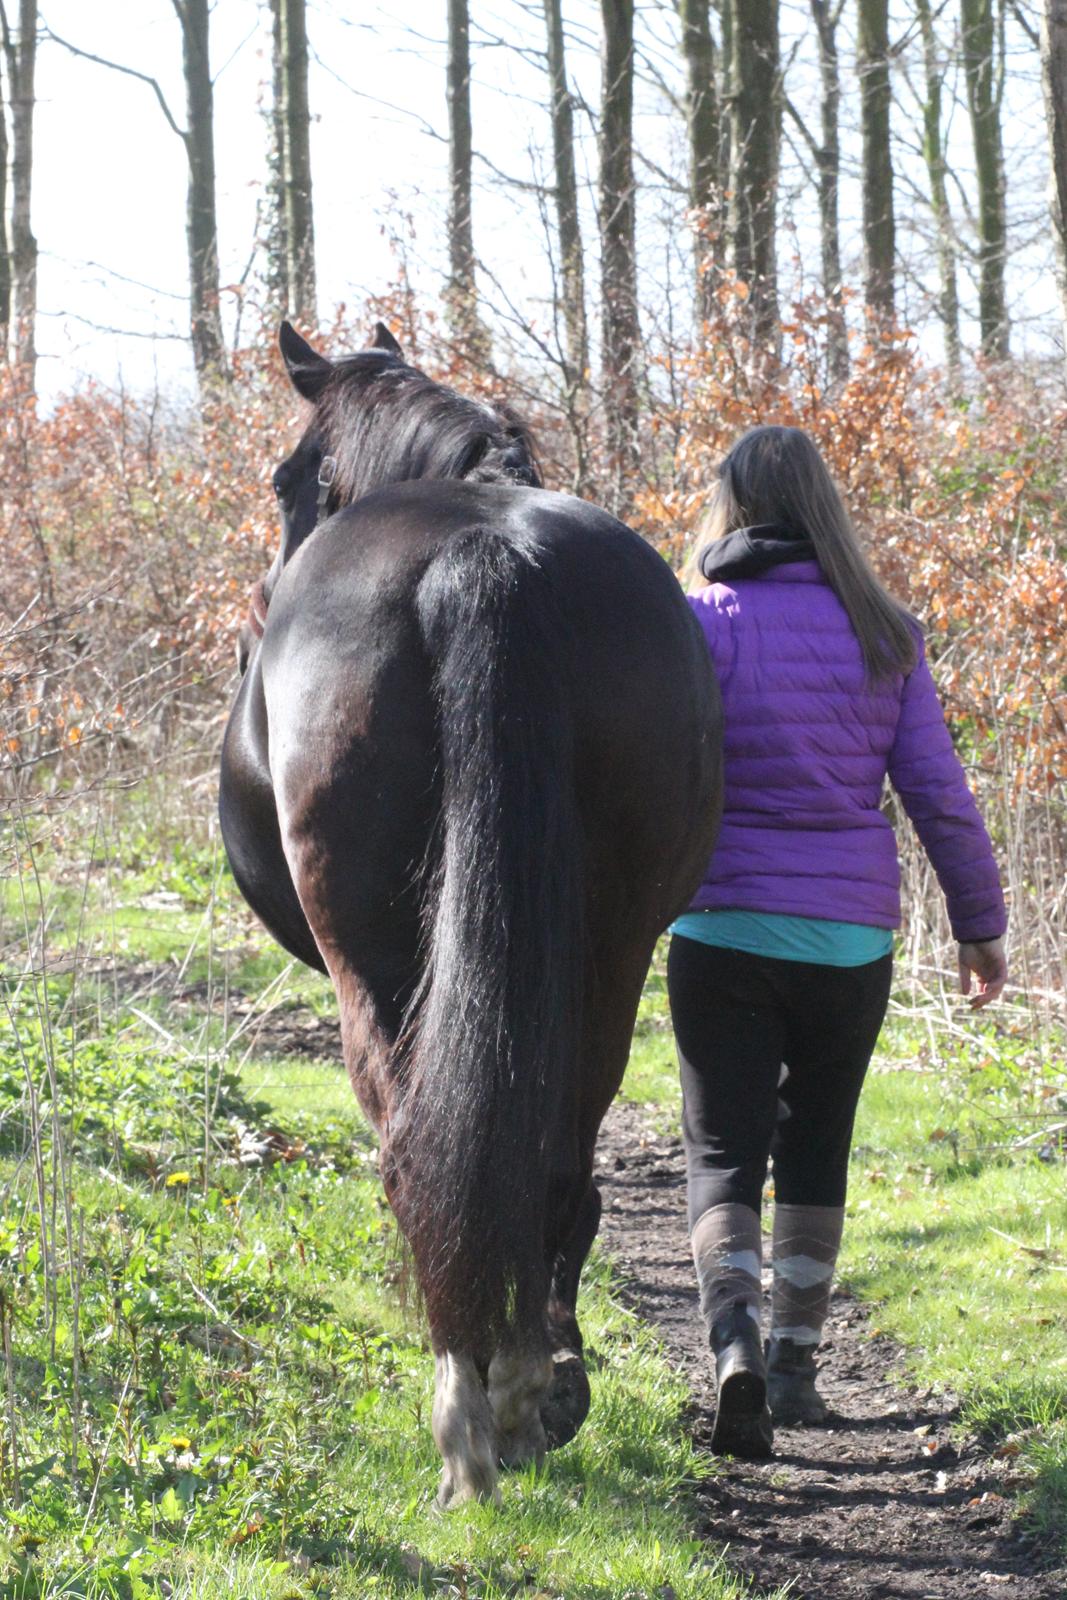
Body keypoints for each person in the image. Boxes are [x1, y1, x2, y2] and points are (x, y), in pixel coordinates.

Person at [669, 425, 1008, 1459]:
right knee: (813, 1144)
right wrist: (978, 922)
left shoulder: (693, 624)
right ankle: (792, 1369)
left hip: (719, 925)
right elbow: (936, 794)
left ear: (728, 504)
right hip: (847, 941)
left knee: (721, 1150)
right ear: (823, 506)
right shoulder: (882, 631)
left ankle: (730, 1350)